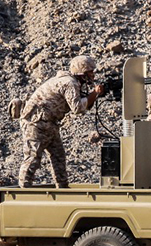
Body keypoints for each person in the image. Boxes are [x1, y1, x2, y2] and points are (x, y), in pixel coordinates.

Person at [18, 55, 105, 188]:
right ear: (82, 73)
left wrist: (94, 95)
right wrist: (95, 93)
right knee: (33, 156)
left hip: (49, 123)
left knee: (58, 156)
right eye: (90, 72)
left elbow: (84, 104)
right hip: (36, 123)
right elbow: (77, 108)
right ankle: (23, 190)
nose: (93, 75)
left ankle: (62, 188)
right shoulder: (69, 83)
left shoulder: (72, 82)